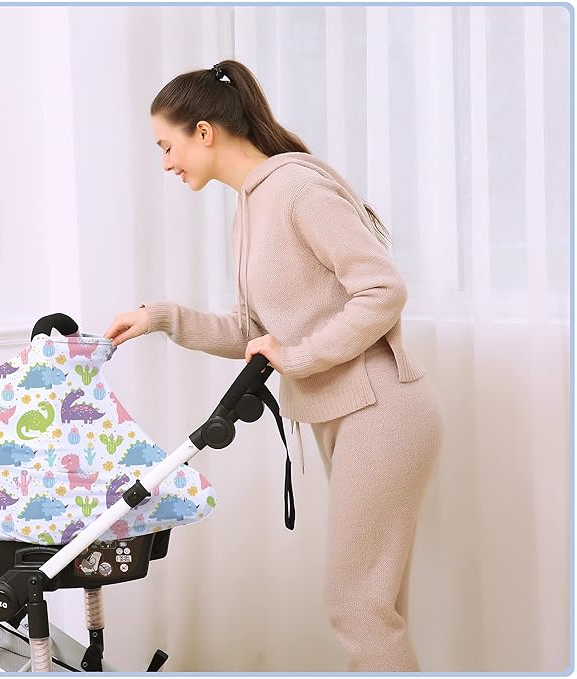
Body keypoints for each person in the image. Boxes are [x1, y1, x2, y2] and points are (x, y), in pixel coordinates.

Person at [103, 59, 444, 672]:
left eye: (167, 146)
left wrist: (300, 357)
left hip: (381, 410)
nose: (166, 164)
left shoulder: (295, 189)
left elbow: (382, 289)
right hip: (349, 410)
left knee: (357, 608)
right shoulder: (251, 207)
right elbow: (254, 335)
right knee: (373, 608)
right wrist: (160, 317)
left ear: (204, 131)